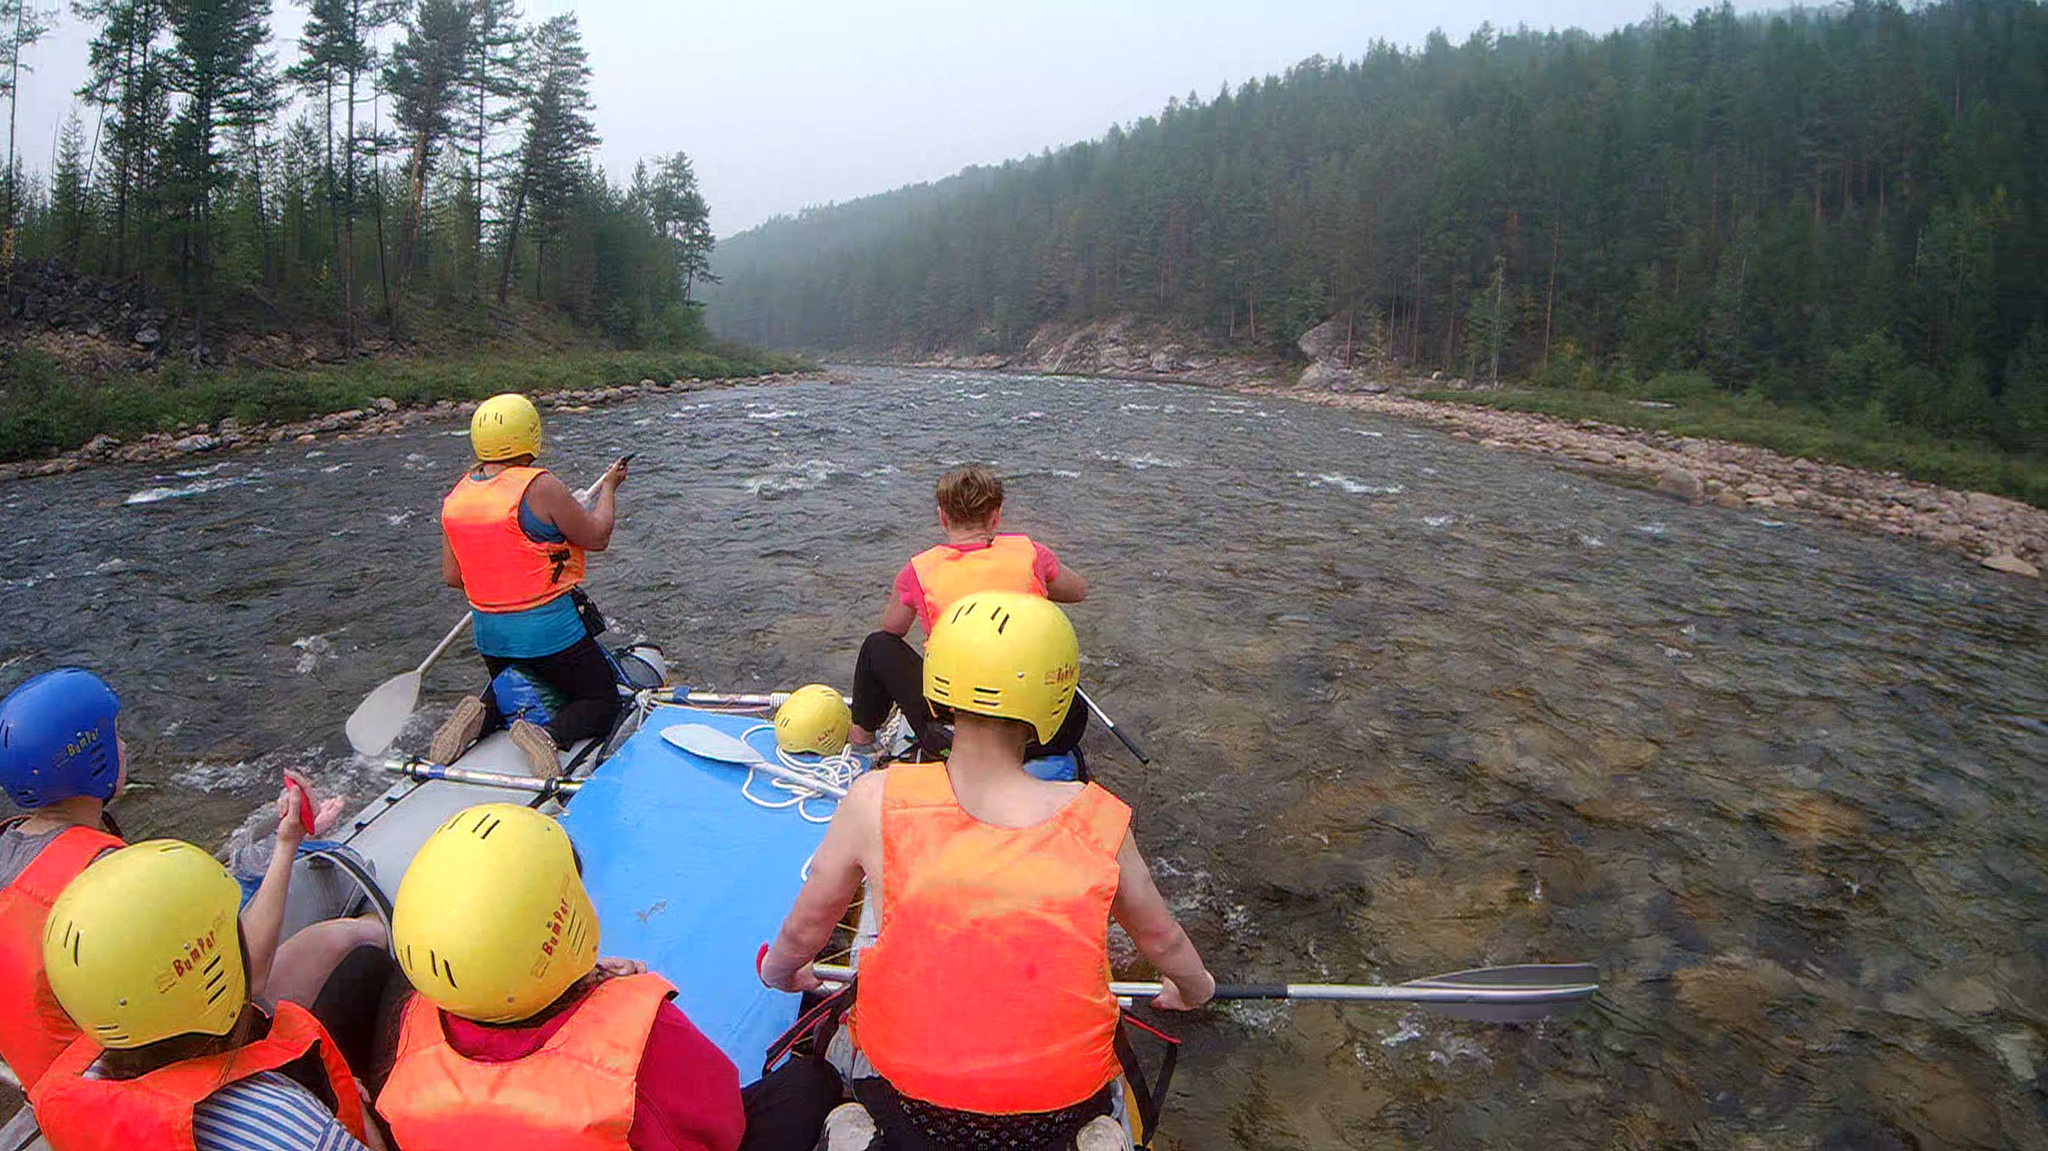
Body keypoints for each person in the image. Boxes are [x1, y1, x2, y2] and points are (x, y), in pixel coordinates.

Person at [761, 592, 1215, 1150]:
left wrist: (783, 975)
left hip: (903, 1102)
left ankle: (851, 1129)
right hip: (1060, 1111)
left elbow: (803, 933)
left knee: (842, 1054)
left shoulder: (873, 798)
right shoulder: (1099, 818)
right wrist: (1193, 989)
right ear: (1056, 702)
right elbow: (1162, 938)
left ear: (938, 684)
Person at [0, 670, 376, 1093]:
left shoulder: (10, 850)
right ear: (92, 758)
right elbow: (246, 978)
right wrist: (287, 842)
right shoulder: (112, 878)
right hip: (164, 1079)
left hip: (69, 1093)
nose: (123, 745)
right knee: (345, 938)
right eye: (114, 734)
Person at [373, 802, 748, 1151]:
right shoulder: (640, 1040)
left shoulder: (408, 1049)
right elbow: (725, 1126)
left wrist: (590, 984)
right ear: (567, 920)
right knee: (801, 1089)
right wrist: (611, 1000)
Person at [30, 839, 387, 1151]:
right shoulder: (293, 1127)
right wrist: (353, 1115)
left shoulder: (81, 1085)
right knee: (372, 971)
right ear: (216, 972)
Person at [434, 393, 631, 778]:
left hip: (490, 633)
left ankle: (482, 711)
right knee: (602, 700)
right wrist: (609, 488)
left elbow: (453, 577)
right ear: (530, 435)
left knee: (522, 679)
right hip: (549, 631)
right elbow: (597, 536)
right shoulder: (541, 486)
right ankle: (548, 735)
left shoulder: (456, 497)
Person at [848, 465, 1087, 760]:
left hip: (955, 735)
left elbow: (892, 630)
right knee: (1071, 699)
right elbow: (1078, 591)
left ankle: (861, 740)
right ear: (996, 516)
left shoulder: (918, 571)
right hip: (1041, 732)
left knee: (878, 645)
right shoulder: (1032, 553)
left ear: (942, 517)